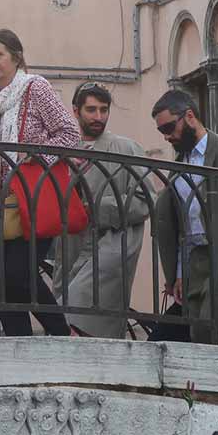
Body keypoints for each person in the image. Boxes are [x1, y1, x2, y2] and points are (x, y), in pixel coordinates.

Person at [0, 29, 81, 337]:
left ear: (16, 57)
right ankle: (18, 344)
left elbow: (69, 134)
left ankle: (61, 333)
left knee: (18, 275)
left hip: (33, 195)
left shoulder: (36, 88)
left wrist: (35, 160)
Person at [151, 90, 218, 344]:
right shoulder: (180, 164)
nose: (166, 136)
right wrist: (176, 271)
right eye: (161, 131)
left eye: (168, 127)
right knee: (197, 330)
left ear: (189, 116)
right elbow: (181, 224)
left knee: (214, 328)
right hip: (192, 260)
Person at [60, 82, 151, 338]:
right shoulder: (63, 151)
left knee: (83, 311)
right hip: (71, 246)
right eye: (91, 110)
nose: (98, 117)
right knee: (64, 312)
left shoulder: (127, 149)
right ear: (76, 111)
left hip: (111, 243)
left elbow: (145, 199)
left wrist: (95, 209)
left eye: (103, 110)